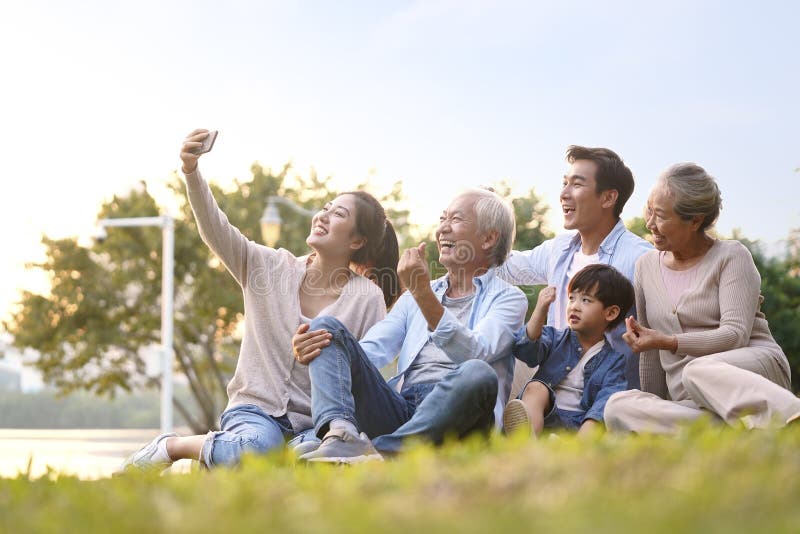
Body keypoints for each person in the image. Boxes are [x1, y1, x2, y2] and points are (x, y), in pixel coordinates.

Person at [120, 129, 400, 471]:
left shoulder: (367, 297)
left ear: (357, 241)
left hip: (315, 424)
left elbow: (364, 373)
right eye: (325, 208)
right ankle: (174, 446)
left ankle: (226, 455)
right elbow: (215, 229)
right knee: (256, 448)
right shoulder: (268, 266)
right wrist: (191, 172)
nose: (322, 216)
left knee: (310, 459)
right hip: (254, 412)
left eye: (338, 214)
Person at [291, 189, 528, 462]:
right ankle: (341, 435)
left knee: (478, 372)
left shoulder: (510, 298)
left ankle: (379, 451)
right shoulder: (412, 299)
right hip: (403, 408)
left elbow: (476, 353)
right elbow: (370, 350)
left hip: (461, 413)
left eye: (456, 219)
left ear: (488, 238)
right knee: (327, 328)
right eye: (442, 219)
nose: (443, 229)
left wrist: (423, 294)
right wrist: (329, 350)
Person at [604, 163, 800, 433]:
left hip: (751, 371)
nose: (650, 223)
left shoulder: (731, 256)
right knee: (618, 406)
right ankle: (726, 429)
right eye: (649, 210)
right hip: (691, 398)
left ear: (695, 220)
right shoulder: (645, 266)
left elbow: (735, 335)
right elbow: (650, 354)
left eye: (660, 215)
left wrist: (669, 341)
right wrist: (655, 403)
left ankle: (791, 414)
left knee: (697, 370)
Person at [498, 146, 651, 390]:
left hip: (605, 391)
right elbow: (505, 267)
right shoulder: (559, 249)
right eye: (564, 183)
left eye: (577, 185)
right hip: (553, 381)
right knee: (500, 354)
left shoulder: (640, 258)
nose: (564, 194)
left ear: (608, 198)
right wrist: (477, 234)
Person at [503, 264, 634, 437]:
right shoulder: (555, 338)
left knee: (604, 407)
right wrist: (540, 310)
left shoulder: (613, 360)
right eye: (572, 298)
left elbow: (606, 399)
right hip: (544, 416)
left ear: (610, 313)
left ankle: (577, 448)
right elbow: (525, 350)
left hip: (581, 424)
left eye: (586, 300)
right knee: (536, 388)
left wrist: (591, 424)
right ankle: (527, 440)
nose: (575, 306)